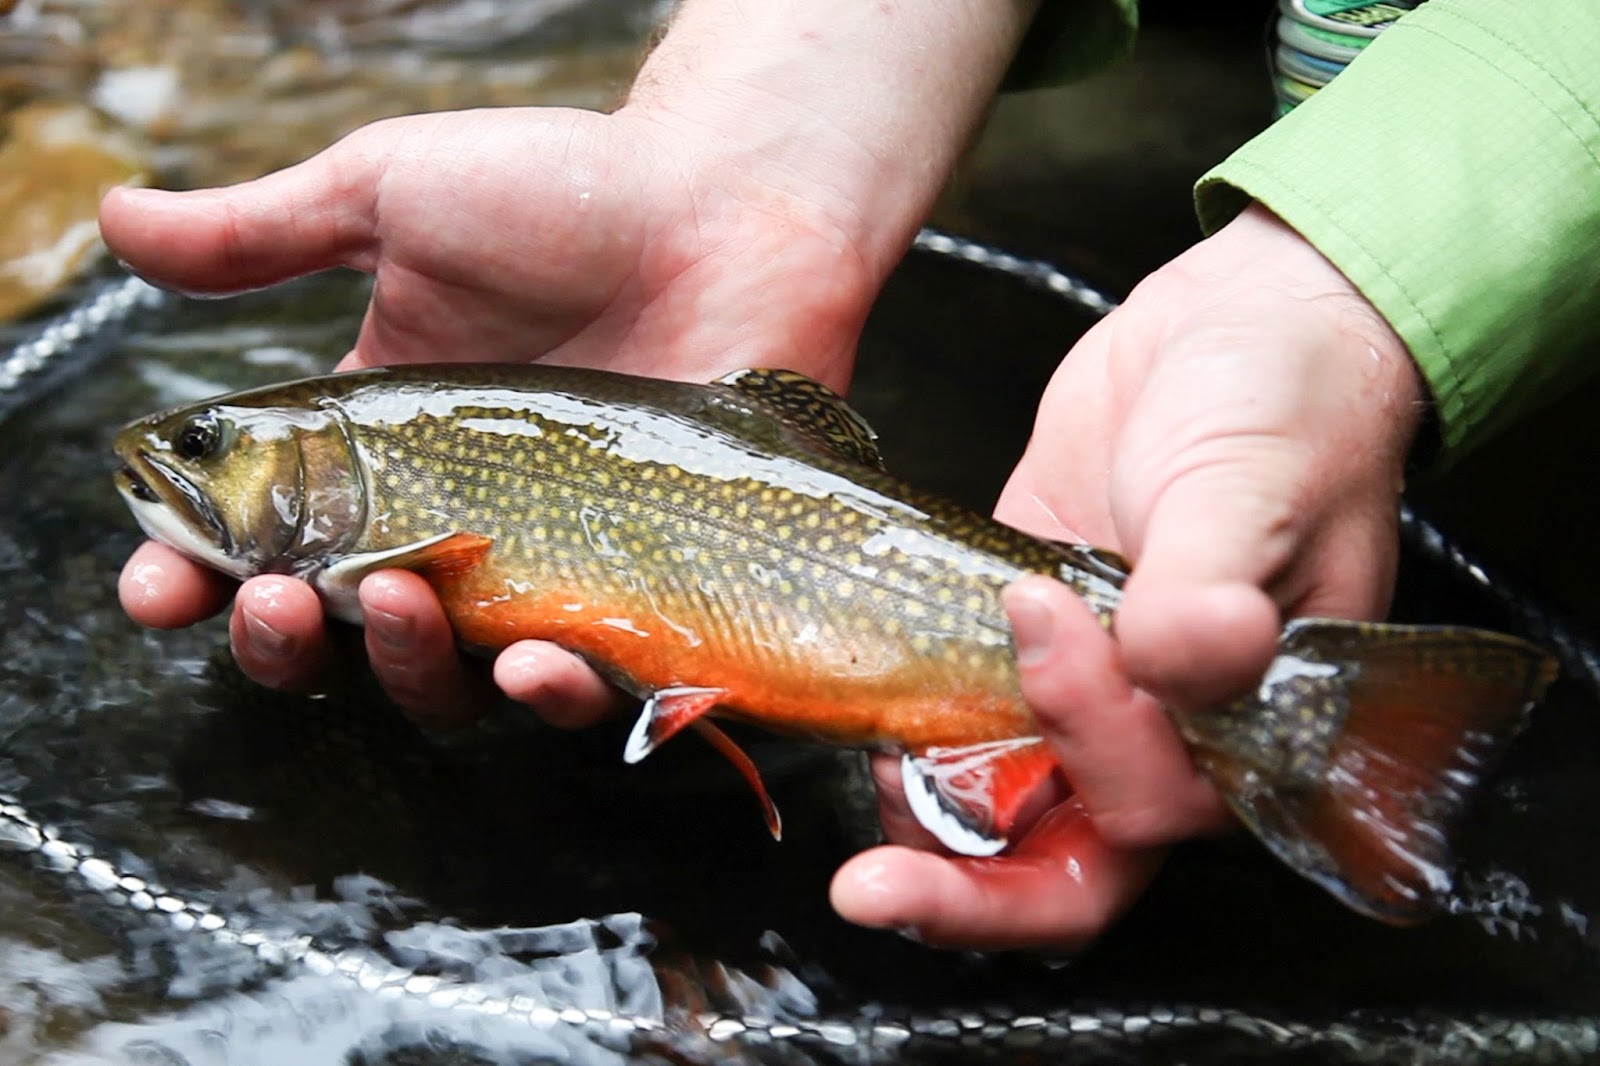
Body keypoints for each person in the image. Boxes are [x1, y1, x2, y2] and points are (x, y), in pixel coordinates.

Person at [102, 0, 1600, 951]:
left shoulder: (403, 488)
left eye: (208, 445)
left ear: (336, 474)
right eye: (202, 446)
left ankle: (1317, 719)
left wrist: (1355, 303)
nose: (172, 460)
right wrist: (760, 134)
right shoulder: (395, 498)